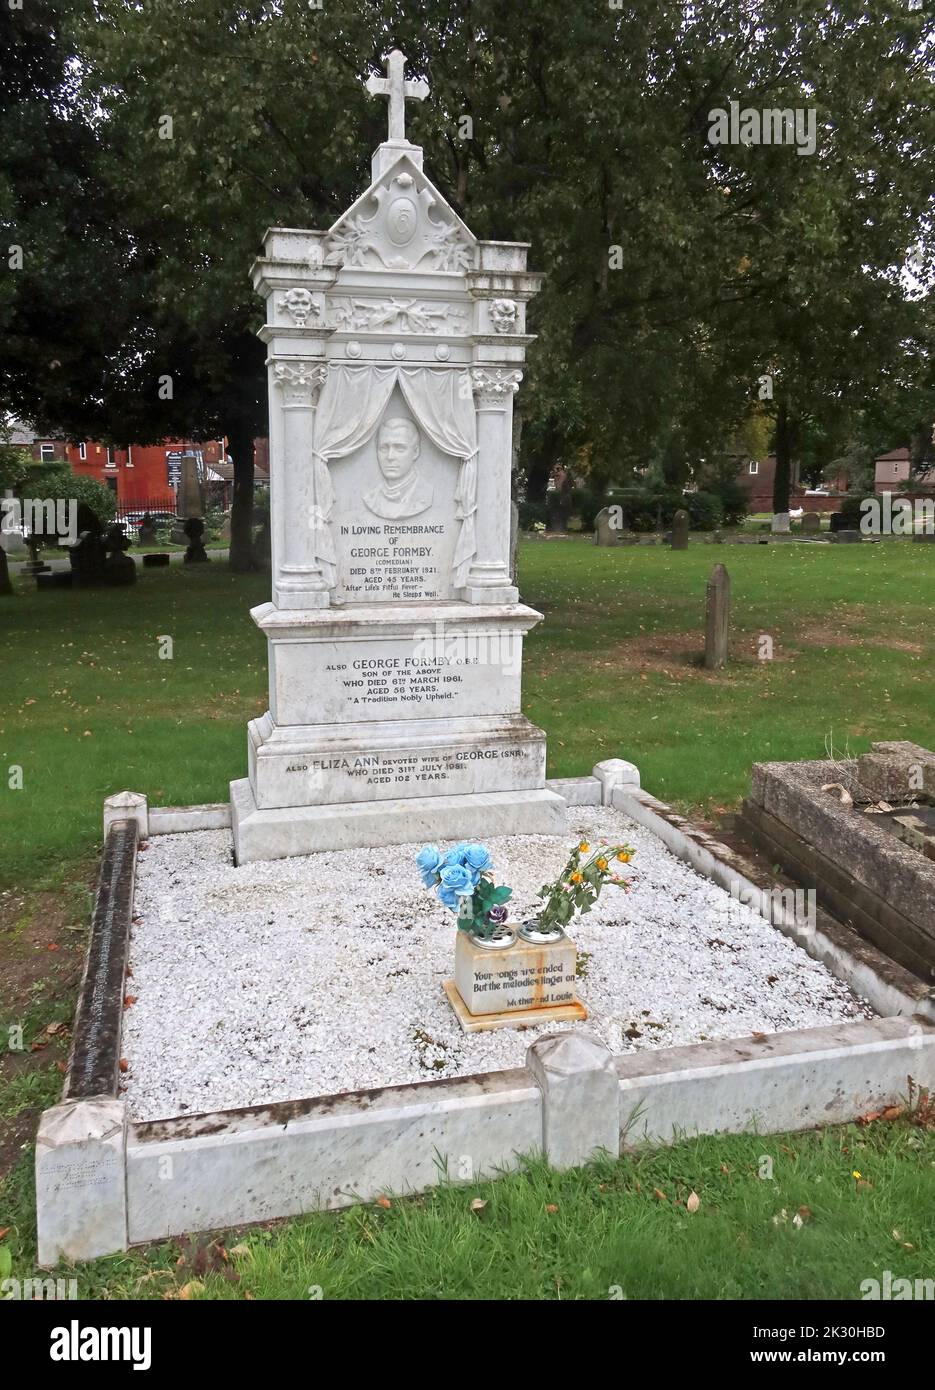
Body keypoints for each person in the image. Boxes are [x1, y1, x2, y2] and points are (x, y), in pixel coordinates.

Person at [365, 417, 433, 520]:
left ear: (415, 452)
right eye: (383, 448)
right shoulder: (371, 499)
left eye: (399, 448)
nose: (390, 457)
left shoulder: (426, 493)